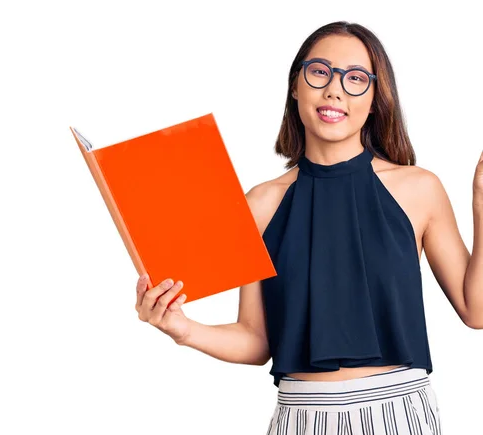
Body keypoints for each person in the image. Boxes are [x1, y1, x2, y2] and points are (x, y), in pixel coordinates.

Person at [134, 21, 483, 434]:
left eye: (356, 79)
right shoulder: (260, 203)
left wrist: (481, 208)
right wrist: (182, 329)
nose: (334, 90)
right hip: (300, 416)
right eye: (319, 71)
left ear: (375, 100)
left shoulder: (419, 188)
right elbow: (256, 340)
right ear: (296, 85)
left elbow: (475, 310)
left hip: (398, 411)